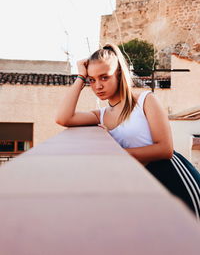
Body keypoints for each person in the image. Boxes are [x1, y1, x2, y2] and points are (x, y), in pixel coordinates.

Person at [55, 43, 200, 219]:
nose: (97, 86)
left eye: (104, 77)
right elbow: (63, 118)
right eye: (92, 80)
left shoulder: (145, 100)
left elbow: (165, 149)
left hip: (174, 176)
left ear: (118, 74)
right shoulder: (101, 115)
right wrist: (80, 77)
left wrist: (117, 154)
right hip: (146, 186)